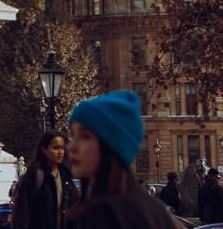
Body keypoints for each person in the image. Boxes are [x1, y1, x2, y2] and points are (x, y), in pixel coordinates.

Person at [67, 90, 177, 229]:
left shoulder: (104, 213)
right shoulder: (156, 209)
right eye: (72, 135)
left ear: (111, 146)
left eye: (85, 136)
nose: (72, 146)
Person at [12, 131, 78, 229]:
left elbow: (74, 210)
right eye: (55, 148)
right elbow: (22, 212)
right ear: (44, 149)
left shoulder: (66, 176)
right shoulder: (34, 176)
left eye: (62, 148)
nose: (60, 152)